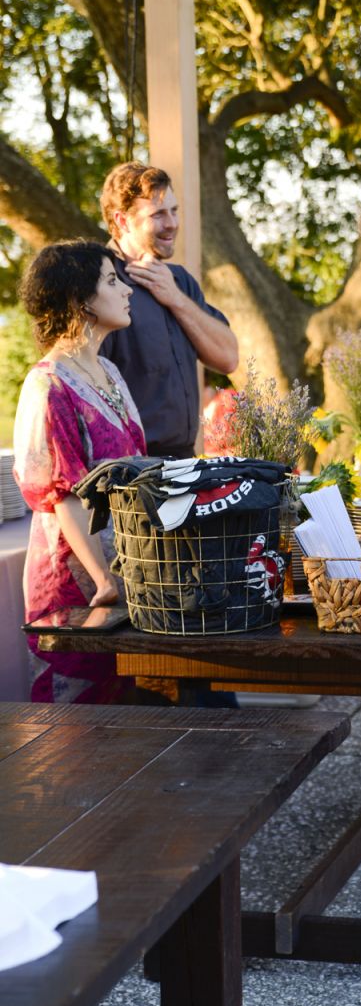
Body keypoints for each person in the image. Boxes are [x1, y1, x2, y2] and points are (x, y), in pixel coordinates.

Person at [14, 240, 146, 703]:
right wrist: (105, 579)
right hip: (77, 585)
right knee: (77, 733)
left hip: (123, 574)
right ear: (81, 300)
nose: (126, 290)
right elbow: (61, 494)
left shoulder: (109, 371)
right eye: (112, 281)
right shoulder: (48, 383)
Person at [99, 162, 238, 458]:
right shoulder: (100, 284)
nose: (172, 223)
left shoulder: (180, 282)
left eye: (173, 211)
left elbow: (229, 358)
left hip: (183, 461)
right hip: (130, 467)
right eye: (158, 214)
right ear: (123, 221)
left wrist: (174, 298)